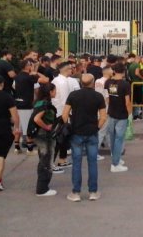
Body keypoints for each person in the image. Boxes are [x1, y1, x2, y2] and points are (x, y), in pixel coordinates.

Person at [61, 74, 107, 202]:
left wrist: (69, 125)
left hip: (76, 132)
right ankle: (93, 191)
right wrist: (96, 127)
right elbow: (103, 117)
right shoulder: (98, 96)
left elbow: (64, 115)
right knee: (92, 162)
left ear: (81, 82)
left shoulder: (73, 95)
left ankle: (76, 192)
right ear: (92, 82)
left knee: (76, 163)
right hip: (92, 132)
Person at [13, 59, 48, 154]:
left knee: (18, 126)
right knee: (29, 126)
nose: (31, 66)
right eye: (30, 65)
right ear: (26, 66)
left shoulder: (17, 77)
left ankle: (16, 146)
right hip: (27, 104)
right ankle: (30, 148)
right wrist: (36, 72)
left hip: (17, 103)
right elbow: (45, 80)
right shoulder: (29, 77)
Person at [51, 62, 80, 171]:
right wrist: (66, 116)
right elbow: (64, 101)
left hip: (60, 112)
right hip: (61, 114)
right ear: (66, 70)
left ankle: (62, 160)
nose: (71, 70)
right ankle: (52, 163)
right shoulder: (63, 82)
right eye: (70, 69)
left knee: (63, 138)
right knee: (59, 139)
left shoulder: (58, 80)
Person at [31, 83, 58, 197]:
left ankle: (42, 186)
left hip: (39, 135)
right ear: (50, 92)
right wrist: (46, 126)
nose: (56, 92)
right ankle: (42, 188)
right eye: (55, 90)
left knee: (43, 158)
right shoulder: (45, 104)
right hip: (44, 135)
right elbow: (37, 118)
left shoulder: (39, 102)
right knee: (46, 160)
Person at [105, 63, 132, 172]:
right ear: (124, 71)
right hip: (122, 114)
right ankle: (115, 164)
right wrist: (129, 114)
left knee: (112, 137)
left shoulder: (109, 82)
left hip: (111, 112)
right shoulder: (125, 84)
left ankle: (116, 158)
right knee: (119, 139)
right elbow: (127, 102)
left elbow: (108, 98)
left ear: (114, 71)